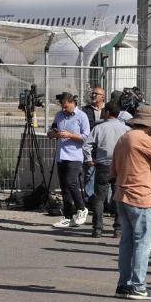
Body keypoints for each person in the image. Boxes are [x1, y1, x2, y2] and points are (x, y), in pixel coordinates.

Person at [111, 105, 151, 300]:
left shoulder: (124, 138)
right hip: (140, 196)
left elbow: (113, 170)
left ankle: (124, 284)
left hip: (121, 194)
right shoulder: (144, 139)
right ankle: (138, 286)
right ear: (148, 124)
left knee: (127, 242)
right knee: (143, 243)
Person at [83, 101, 128, 237]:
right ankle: (118, 229)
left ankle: (97, 228)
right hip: (120, 166)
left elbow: (86, 145)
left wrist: (89, 159)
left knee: (99, 198)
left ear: (107, 113)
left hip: (103, 166)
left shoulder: (99, 128)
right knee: (119, 198)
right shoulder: (126, 129)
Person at [48, 92, 91, 229]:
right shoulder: (59, 115)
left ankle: (82, 208)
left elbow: (86, 137)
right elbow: (51, 131)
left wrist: (70, 135)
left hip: (75, 156)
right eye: (62, 107)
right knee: (64, 187)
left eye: (66, 107)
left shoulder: (81, 116)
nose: (64, 109)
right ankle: (67, 217)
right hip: (61, 155)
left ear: (72, 103)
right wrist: (53, 134)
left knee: (71, 182)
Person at [81, 87, 106, 205]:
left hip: (103, 147)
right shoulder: (85, 110)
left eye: (97, 93)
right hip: (91, 147)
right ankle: (90, 201)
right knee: (90, 174)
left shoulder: (108, 110)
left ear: (103, 96)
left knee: (104, 176)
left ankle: (103, 202)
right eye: (93, 93)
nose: (93, 95)